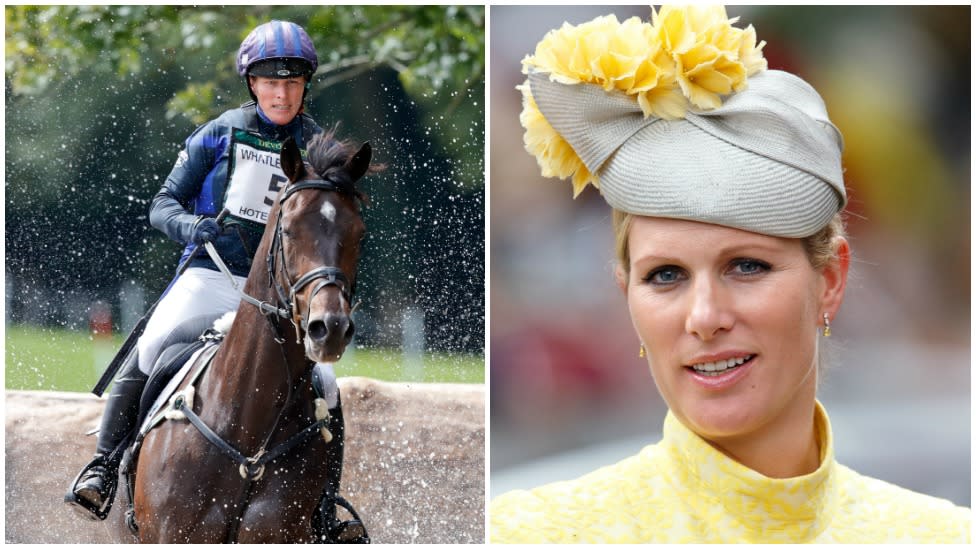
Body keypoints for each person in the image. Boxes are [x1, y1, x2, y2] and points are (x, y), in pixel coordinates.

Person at [489, 5, 970, 543]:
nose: (704, 316)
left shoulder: (940, 537)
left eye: (746, 266)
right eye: (666, 275)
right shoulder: (527, 534)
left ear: (830, 281)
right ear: (626, 296)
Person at [65, 20, 359, 536]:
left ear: (305, 86)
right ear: (253, 83)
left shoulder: (316, 145)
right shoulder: (220, 132)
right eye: (272, 82)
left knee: (326, 384)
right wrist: (191, 226)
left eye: (292, 83)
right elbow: (162, 205)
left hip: (281, 294)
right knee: (155, 345)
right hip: (214, 274)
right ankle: (104, 465)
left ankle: (326, 508)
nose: (282, 93)